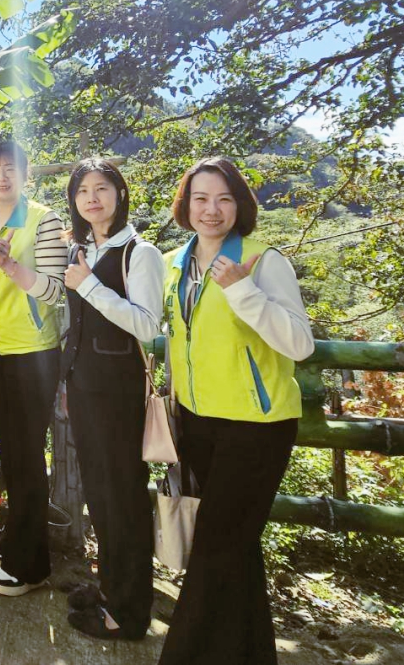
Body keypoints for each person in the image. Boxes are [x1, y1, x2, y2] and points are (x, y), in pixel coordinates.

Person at [158, 157, 314, 664]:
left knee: (214, 548)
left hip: (257, 426)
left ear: (240, 205)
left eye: (224, 199)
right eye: (201, 198)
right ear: (186, 205)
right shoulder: (175, 263)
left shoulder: (263, 260)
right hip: (197, 421)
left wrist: (242, 290)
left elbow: (300, 343)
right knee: (236, 550)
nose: (212, 210)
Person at [61, 158, 164, 640]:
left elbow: (146, 324)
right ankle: (110, 588)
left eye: (101, 188)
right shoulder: (82, 249)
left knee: (123, 495)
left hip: (119, 393)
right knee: (100, 493)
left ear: (120, 194)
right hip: (84, 387)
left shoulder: (140, 253)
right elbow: (76, 322)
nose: (92, 198)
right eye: (83, 190)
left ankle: (129, 612)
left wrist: (90, 285)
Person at [0, 140, 66, 596]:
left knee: (26, 456)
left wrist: (11, 267)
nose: (0, 177)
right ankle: (14, 540)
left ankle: (32, 563)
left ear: (26, 175)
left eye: (10, 169)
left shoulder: (45, 220)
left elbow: (54, 291)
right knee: (11, 452)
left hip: (32, 353)